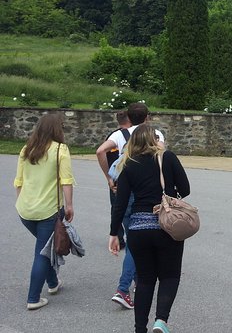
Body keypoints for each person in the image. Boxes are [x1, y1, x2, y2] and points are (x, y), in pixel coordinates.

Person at [108, 124, 189, 333]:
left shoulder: (128, 165)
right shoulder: (167, 158)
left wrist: (113, 233)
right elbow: (186, 189)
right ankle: (161, 320)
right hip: (166, 226)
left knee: (145, 280)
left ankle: (139, 328)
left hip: (138, 229)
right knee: (170, 276)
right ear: (155, 140)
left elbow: (120, 203)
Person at [97, 103, 165, 310]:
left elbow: (100, 151)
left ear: (129, 117)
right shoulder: (156, 134)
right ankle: (123, 289)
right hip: (145, 194)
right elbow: (162, 160)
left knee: (135, 240)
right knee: (136, 247)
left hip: (125, 191)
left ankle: (138, 281)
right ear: (147, 117)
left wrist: (109, 177)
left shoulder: (120, 134)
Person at [13, 113, 75, 310]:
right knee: (42, 253)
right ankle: (33, 298)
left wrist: (23, 202)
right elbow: (66, 181)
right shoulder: (60, 150)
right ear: (58, 129)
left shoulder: (26, 149)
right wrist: (70, 205)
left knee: (45, 246)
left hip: (25, 210)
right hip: (48, 210)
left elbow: (18, 181)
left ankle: (53, 283)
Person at [106, 111, 132, 249]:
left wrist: (108, 177)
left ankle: (118, 237)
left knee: (116, 207)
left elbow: (103, 153)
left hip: (116, 176)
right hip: (131, 176)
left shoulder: (113, 136)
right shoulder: (136, 135)